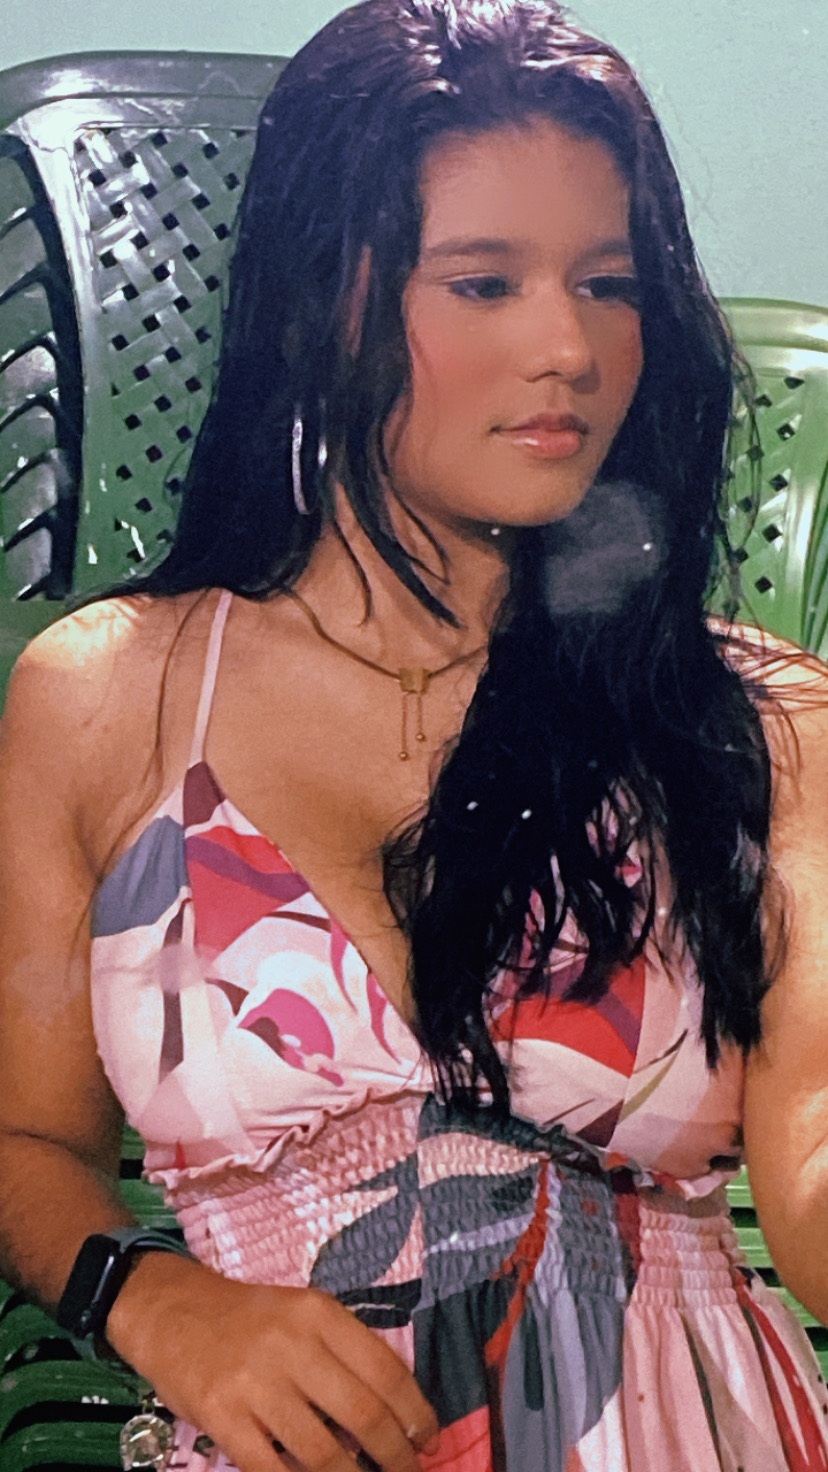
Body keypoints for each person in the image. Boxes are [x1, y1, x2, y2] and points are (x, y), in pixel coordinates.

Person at [0, 1, 827, 1468]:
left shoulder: (763, 723)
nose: (570, 346)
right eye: (486, 283)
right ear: (327, 299)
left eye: (611, 284)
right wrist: (160, 1301)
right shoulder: (111, 693)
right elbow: (26, 1141)